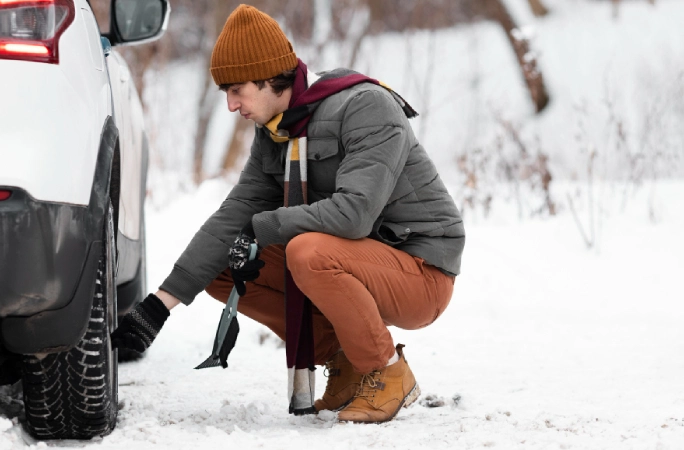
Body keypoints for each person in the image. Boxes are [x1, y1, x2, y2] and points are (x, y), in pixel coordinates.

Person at [112, 4, 465, 424]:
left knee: (307, 251)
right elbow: (235, 215)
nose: (231, 105)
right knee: (227, 263)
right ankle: (345, 361)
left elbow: (354, 214)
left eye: (236, 89)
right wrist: (159, 305)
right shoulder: (276, 130)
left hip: (420, 271)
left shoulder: (365, 107)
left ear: (268, 77)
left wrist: (265, 226)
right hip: (357, 260)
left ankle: (386, 371)